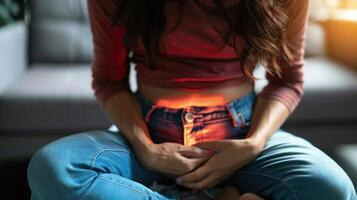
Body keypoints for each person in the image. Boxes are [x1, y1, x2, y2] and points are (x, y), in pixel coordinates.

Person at [27, 0, 357, 199]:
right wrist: (146, 148)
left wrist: (254, 143)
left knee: (332, 189)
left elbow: (287, 80)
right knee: (53, 168)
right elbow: (109, 81)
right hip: (149, 134)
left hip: (243, 133)